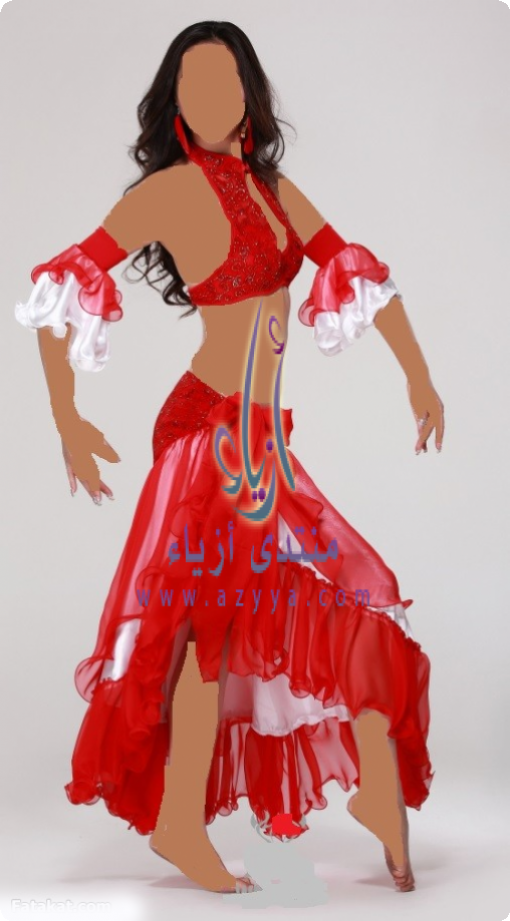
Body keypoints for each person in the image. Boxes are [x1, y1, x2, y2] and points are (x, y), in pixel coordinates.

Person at [15, 20, 443, 897]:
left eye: (225, 82)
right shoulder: (167, 193)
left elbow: (352, 266)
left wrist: (419, 374)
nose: (210, 98)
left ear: (250, 94)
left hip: (260, 439)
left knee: (347, 587)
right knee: (210, 624)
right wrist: (66, 417)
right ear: (174, 101)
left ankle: (371, 787)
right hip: (207, 432)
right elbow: (61, 286)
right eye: (193, 85)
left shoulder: (272, 190)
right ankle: (180, 818)